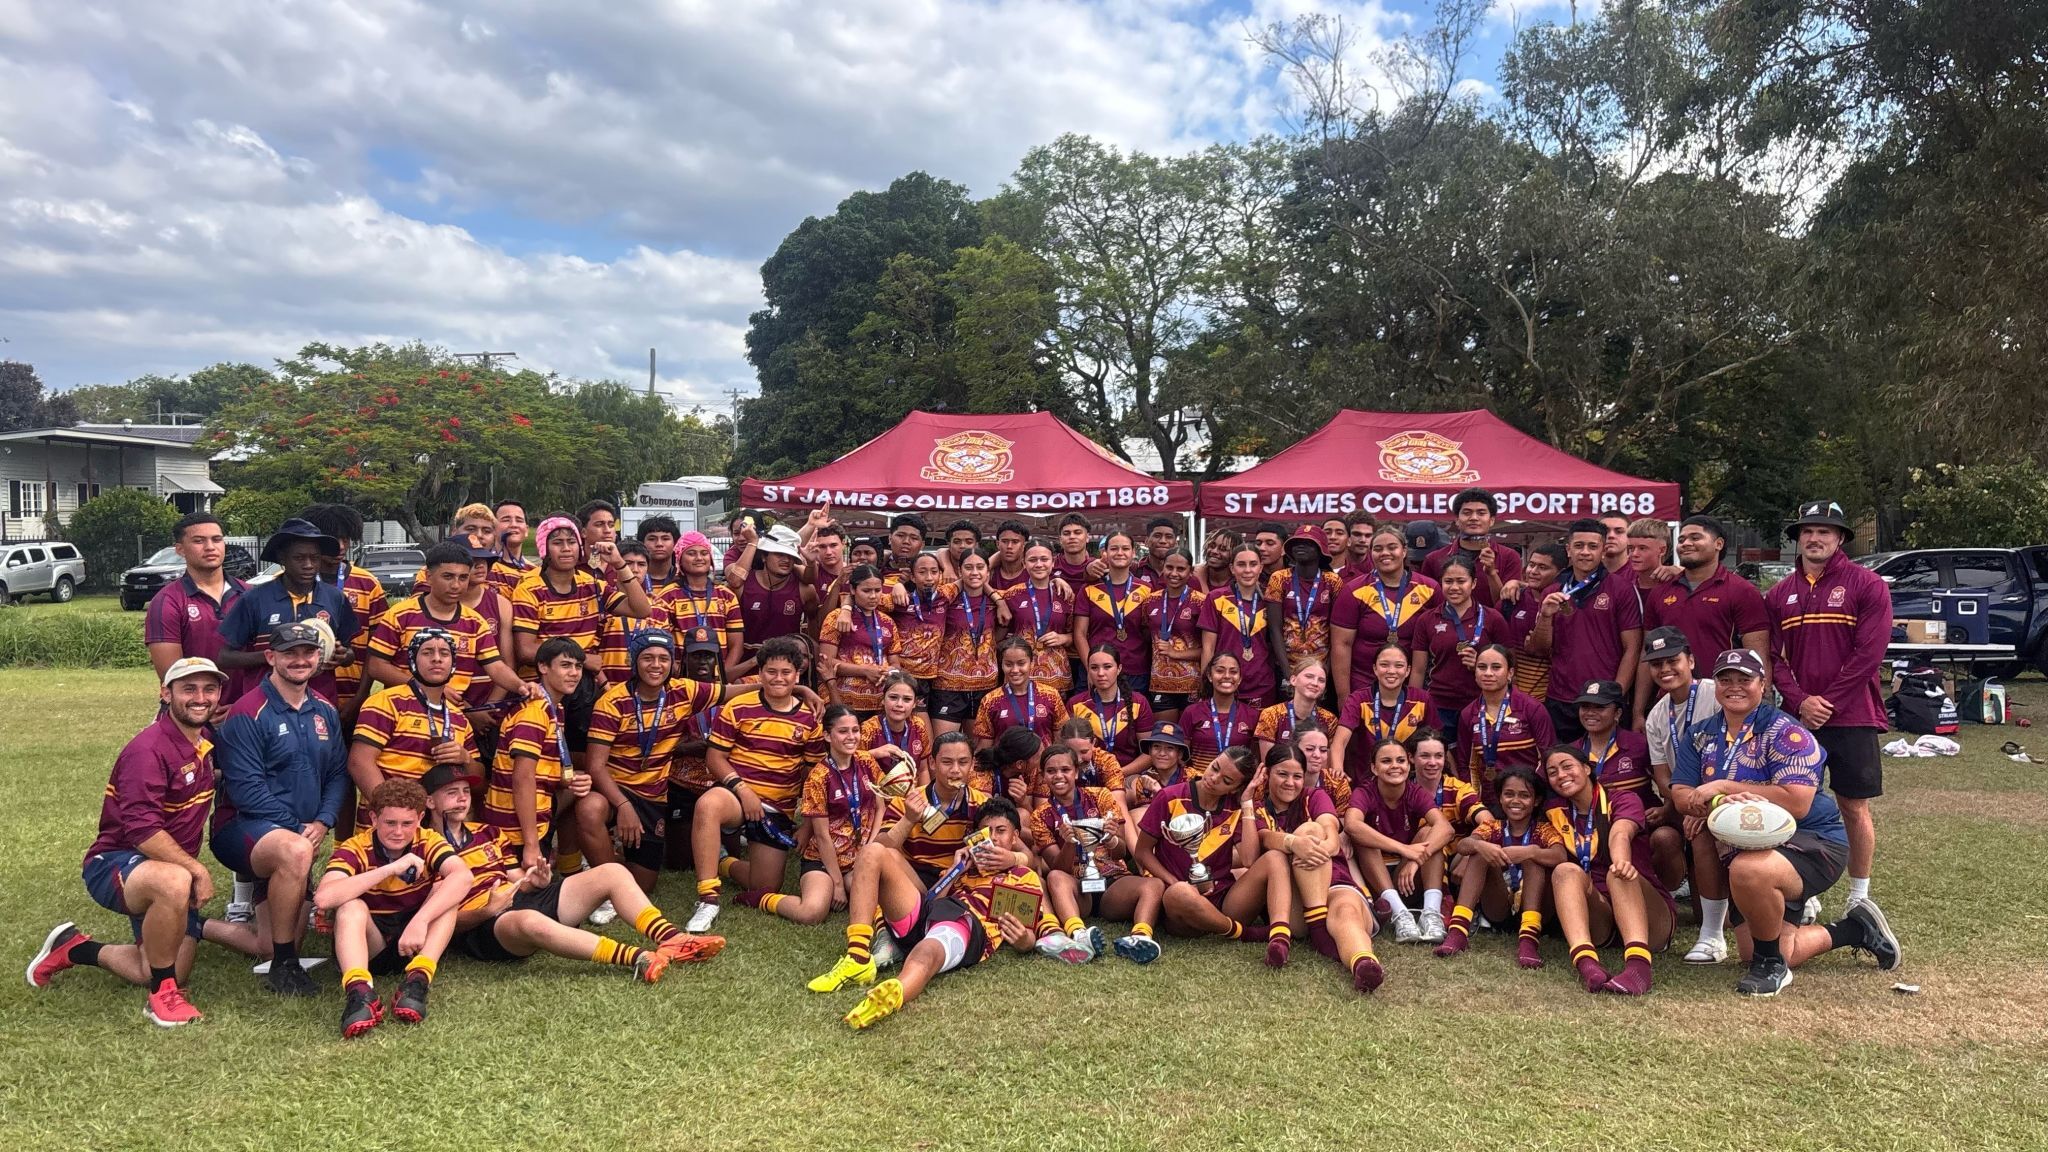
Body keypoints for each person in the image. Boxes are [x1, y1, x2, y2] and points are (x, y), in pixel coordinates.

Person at [28, 658, 261, 1025]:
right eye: (189, 689)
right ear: (165, 694)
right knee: (175, 881)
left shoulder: (204, 744)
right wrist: (197, 869)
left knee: (152, 967)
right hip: (115, 863)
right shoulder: (148, 749)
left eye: (209, 689)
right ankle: (163, 998)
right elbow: (141, 831)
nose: (200, 698)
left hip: (161, 871)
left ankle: (74, 948)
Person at [1670, 648, 1900, 996]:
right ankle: (1854, 930)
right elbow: (1682, 795)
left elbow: (1798, 801)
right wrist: (1718, 803)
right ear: (1714, 685)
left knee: (1749, 871)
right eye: (1725, 679)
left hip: (1812, 840)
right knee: (1755, 947)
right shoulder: (1701, 734)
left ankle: (1772, 968)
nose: (1735, 686)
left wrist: (1723, 786)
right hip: (1748, 843)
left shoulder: (1786, 731)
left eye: (1745, 679)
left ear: (1762, 685)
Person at [428, 763, 720, 984]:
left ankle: (671, 939)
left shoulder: (488, 833)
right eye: (451, 793)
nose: (462, 799)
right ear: (429, 802)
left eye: (465, 792)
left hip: (515, 902)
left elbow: (514, 878)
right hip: (485, 927)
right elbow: (432, 920)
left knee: (611, 872)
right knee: (529, 920)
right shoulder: (423, 847)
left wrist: (533, 883)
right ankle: (636, 958)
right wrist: (485, 911)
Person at [1763, 500, 1892, 918]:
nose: (1814, 538)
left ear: (1839, 539)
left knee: (1853, 805)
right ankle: (1807, 885)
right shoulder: (1781, 593)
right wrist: (1801, 702)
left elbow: (1868, 654)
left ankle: (1859, 894)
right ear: (1798, 540)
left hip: (1852, 716)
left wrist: (1827, 702)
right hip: (1799, 718)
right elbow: (1773, 658)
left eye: (1824, 531)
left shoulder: (1867, 584)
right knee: (1797, 802)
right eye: (1807, 532)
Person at [211, 622, 347, 995]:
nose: (300, 660)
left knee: (269, 942)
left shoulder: (324, 710)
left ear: (318, 657)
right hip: (240, 828)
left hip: (299, 832)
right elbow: (246, 790)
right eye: (290, 653)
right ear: (271, 657)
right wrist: (299, 828)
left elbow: (337, 773)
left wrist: (324, 820)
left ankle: (194, 925)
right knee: (296, 851)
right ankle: (285, 967)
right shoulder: (247, 711)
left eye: (307, 652)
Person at [837, 798, 1056, 1029]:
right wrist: (956, 869)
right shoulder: (964, 866)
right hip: (932, 913)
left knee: (928, 949)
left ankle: (895, 991)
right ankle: (857, 956)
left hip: (967, 923)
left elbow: (1028, 936)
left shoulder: (1023, 875)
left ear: (1014, 837)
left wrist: (1023, 940)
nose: (992, 837)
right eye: (986, 831)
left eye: (1001, 831)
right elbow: (933, 900)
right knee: (874, 852)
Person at [807, 732, 995, 992]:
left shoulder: (983, 804)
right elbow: (879, 851)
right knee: (875, 851)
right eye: (947, 762)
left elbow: (1019, 852)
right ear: (931, 763)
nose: (955, 770)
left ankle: (890, 938)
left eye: (963, 762)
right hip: (914, 890)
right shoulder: (909, 799)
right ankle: (857, 957)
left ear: (972, 765)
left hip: (958, 897)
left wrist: (1011, 855)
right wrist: (909, 819)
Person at [687, 635, 825, 932]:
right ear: (760, 673)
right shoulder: (739, 706)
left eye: (786, 672)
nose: (778, 678)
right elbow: (714, 758)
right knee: (708, 804)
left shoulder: (809, 719)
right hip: (738, 796)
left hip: (777, 808)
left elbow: (814, 778)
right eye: (771, 672)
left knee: (765, 886)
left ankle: (723, 862)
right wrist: (743, 789)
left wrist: (807, 825)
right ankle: (708, 899)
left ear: (797, 675)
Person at [315, 778, 471, 1036]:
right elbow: (324, 898)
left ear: (420, 818)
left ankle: (417, 981)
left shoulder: (428, 840)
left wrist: (421, 921)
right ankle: (360, 993)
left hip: (413, 940)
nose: (398, 831)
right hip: (370, 945)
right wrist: (390, 869)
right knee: (350, 906)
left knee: (447, 892)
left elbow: (463, 877)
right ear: (374, 819)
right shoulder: (355, 847)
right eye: (390, 823)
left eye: (407, 823)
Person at [577, 628, 726, 895]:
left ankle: (610, 868)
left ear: (673, 663)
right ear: (634, 661)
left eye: (663, 658)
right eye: (647, 658)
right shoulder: (612, 702)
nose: (656, 665)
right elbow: (595, 766)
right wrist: (623, 805)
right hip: (616, 790)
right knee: (589, 808)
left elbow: (731, 691)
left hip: (652, 797)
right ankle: (605, 885)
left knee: (643, 885)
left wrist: (798, 689)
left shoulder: (684, 691)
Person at [1133, 745, 1295, 966]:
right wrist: (1171, 881)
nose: (1214, 778)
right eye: (1215, 767)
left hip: (1224, 899)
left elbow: (1248, 860)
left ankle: (1279, 937)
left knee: (1275, 857)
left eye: (1227, 781)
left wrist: (1246, 803)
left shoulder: (1236, 807)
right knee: (1180, 892)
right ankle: (1241, 933)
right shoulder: (1170, 797)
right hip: (1183, 907)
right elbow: (1142, 852)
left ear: (1235, 788)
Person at [1541, 743, 1673, 995]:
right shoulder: (1553, 811)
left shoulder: (1622, 797)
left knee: (1618, 872)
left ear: (1586, 768)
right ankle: (1587, 964)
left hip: (1646, 914)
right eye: (1552, 772)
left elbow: (1621, 832)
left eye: (1567, 766)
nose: (1561, 775)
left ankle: (1638, 968)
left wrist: (1621, 860)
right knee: (1564, 871)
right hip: (1600, 917)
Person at [1256, 742, 1385, 993]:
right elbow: (1264, 837)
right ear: (1267, 772)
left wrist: (1315, 850)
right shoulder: (1258, 806)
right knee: (1306, 832)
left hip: (1335, 882)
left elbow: (1332, 835)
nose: (1289, 782)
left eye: (1297, 776)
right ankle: (1318, 929)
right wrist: (1294, 843)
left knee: (1346, 910)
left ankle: (1364, 964)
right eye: (1282, 774)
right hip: (1294, 902)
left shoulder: (1314, 796)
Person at [365, 541, 532, 732]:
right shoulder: (401, 615)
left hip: (453, 719)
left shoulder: (475, 622)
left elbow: (496, 667)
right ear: (428, 576)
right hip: (403, 715)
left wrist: (521, 686)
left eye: (463, 578)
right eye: (448, 576)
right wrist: (426, 688)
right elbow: (376, 666)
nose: (456, 585)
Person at [1640, 626, 1732, 963]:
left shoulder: (1716, 692)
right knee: (1667, 836)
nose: (1665, 670)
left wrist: (1704, 804)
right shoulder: (1656, 715)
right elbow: (1663, 776)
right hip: (1687, 803)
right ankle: (1679, 901)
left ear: (1691, 660)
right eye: (1656, 664)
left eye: (1673, 661)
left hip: (1727, 798)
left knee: (1735, 918)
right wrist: (1682, 804)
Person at [1030, 744, 1164, 963]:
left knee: (1154, 884)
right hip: (1077, 889)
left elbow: (1121, 851)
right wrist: (1069, 842)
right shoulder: (1040, 816)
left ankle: (1139, 938)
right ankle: (1079, 936)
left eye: (1065, 769)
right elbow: (1058, 868)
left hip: (1112, 882)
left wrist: (1110, 838)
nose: (1058, 776)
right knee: (1054, 877)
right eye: (1051, 771)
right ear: (1043, 776)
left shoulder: (1100, 796)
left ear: (1076, 771)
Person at [1635, 514, 1771, 722]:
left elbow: (1758, 656)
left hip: (1725, 703)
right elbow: (1648, 656)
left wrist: (1762, 705)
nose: (1686, 543)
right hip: (1672, 704)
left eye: (1695, 538)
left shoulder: (1741, 591)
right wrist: (1638, 711)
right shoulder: (1660, 593)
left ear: (1718, 544)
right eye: (1681, 540)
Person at [756, 706, 883, 925]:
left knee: (879, 901)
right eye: (843, 731)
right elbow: (822, 836)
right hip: (823, 860)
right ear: (827, 735)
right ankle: (763, 899)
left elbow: (880, 807)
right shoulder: (818, 777)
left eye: (855, 730)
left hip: (859, 858)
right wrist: (836, 885)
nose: (851, 737)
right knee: (812, 913)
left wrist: (869, 848)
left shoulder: (866, 761)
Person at [215, 517, 358, 707]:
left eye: (314, 558)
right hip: (265, 706)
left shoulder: (335, 598)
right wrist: (276, 655)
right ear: (282, 558)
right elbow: (224, 657)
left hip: (319, 705)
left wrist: (342, 655)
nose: (308, 564)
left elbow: (349, 654)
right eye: (299, 558)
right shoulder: (254, 599)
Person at [347, 628, 481, 830]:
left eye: (444, 653)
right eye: (427, 652)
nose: (436, 659)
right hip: (387, 829)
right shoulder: (386, 702)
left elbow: (479, 780)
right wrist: (395, 815)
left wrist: (465, 758)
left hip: (434, 834)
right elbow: (359, 762)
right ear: (412, 661)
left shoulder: (459, 718)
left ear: (453, 664)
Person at [1524, 519, 1643, 743]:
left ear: (1602, 549)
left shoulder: (1622, 589)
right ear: (1568, 549)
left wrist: (1615, 695)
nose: (1585, 552)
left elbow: (1633, 648)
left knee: (1606, 768)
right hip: (1561, 698)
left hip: (1604, 699)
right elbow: (1540, 649)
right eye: (1579, 546)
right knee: (1562, 766)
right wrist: (1546, 617)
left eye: (1592, 546)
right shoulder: (1553, 591)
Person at [1437, 764, 1564, 965]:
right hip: (1499, 907)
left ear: (1537, 800)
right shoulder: (1493, 826)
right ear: (1499, 798)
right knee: (1480, 852)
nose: (1516, 801)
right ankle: (1458, 931)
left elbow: (1560, 856)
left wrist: (1529, 851)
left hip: (1538, 911)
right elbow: (1463, 846)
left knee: (1534, 858)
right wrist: (1481, 846)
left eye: (1524, 795)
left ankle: (1529, 941)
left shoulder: (1543, 829)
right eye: (1509, 794)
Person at [482, 636, 589, 875]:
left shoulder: (554, 707)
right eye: (565, 665)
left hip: (535, 812)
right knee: (530, 901)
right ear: (543, 667)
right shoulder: (534, 713)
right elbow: (522, 779)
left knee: (578, 783)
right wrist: (531, 846)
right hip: (513, 828)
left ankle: (568, 864)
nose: (574, 673)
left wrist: (567, 779)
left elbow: (540, 770)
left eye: (578, 666)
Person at [1572, 678, 1683, 891]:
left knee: (1666, 838)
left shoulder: (1639, 745)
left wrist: (1666, 809)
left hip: (1642, 827)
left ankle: (1666, 894)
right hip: (1590, 830)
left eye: (1600, 707)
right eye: (1585, 706)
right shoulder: (1571, 753)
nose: (1590, 713)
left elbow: (1668, 781)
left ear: (1618, 713)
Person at [1342, 735, 1450, 943]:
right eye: (1386, 761)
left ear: (1409, 764)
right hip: (1375, 880)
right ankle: (1399, 914)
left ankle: (1430, 914)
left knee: (1431, 833)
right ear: (1374, 768)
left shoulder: (1415, 791)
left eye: (1400, 761)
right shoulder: (1364, 791)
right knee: (1364, 835)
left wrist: (1415, 859)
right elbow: (1352, 824)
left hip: (1406, 878)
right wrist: (1404, 849)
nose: (1395, 766)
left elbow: (1445, 828)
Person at [299, 503, 388, 726]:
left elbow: (377, 649)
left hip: (353, 699)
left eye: (346, 539)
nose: (340, 546)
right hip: (301, 697)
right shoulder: (289, 581)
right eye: (333, 539)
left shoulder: (368, 583)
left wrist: (359, 698)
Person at [1331, 524, 1439, 700]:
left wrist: (1416, 696)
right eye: (1378, 549)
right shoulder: (1354, 590)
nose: (1385, 553)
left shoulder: (1430, 589)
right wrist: (1344, 697)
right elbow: (1341, 645)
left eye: (1392, 547)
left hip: (1414, 685)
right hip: (1364, 685)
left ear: (1404, 551)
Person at [1413, 554, 1510, 742]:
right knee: (1442, 759)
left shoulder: (1493, 618)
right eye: (1448, 581)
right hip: (1439, 704)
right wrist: (1415, 704)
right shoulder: (1427, 619)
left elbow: (1509, 664)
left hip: (1482, 701)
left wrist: (1481, 664)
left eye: (1461, 581)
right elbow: (1418, 669)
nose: (1454, 587)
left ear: (1473, 583)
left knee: (1478, 758)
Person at [144, 512, 246, 686]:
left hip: (249, 709)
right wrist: (206, 707)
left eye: (217, 539)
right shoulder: (167, 601)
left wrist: (246, 706)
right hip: (197, 707)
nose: (210, 547)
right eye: (199, 541)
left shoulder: (250, 594)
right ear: (180, 549)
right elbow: (171, 677)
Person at [1456, 644, 1556, 802]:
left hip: (1528, 799)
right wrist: (1475, 805)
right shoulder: (1468, 714)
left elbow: (1549, 757)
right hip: (1489, 802)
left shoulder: (1531, 708)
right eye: (1482, 667)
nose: (1488, 673)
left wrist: (1533, 795)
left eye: (1496, 667)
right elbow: (1466, 766)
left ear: (1510, 673)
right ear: (1475, 673)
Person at [1198, 545, 1288, 708]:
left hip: (1262, 684)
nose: (1247, 570)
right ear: (1232, 568)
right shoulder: (1216, 598)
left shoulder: (1271, 599)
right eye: (1241, 564)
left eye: (1253, 564)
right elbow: (1208, 647)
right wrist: (1206, 683)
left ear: (1260, 567)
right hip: (1225, 682)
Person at [1332, 643, 1430, 786]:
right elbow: (1339, 743)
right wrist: (1337, 772)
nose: (1391, 671)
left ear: (1408, 670)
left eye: (1399, 666)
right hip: (1367, 785)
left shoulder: (1422, 699)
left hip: (1409, 784)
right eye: (1384, 665)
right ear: (1375, 669)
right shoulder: (1358, 699)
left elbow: (1435, 743)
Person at [930, 552, 1004, 735]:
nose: (974, 573)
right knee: (945, 746)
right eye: (968, 567)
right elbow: (930, 595)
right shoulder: (947, 598)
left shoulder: (999, 599)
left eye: (980, 567)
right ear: (959, 570)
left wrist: (1057, 581)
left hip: (985, 686)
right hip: (948, 686)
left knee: (977, 752)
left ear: (988, 572)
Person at [1072, 531, 1154, 696]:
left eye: (1125, 548)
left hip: (1135, 670)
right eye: (1114, 548)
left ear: (1133, 553)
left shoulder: (1147, 591)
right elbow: (1079, 634)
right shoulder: (1088, 590)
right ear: (1105, 553)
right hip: (1098, 670)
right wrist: (1091, 668)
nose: (1120, 553)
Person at [725, 521, 811, 671]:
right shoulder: (742, 587)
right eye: (779, 554)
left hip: (785, 671)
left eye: (790, 556)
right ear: (764, 557)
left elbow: (815, 622)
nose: (786, 560)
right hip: (744, 670)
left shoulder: (804, 589)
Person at [818, 564, 900, 715]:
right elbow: (826, 662)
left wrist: (890, 670)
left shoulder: (887, 621)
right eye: (866, 591)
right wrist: (865, 670)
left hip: (880, 704)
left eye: (877, 590)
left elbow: (895, 662)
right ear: (853, 590)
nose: (873, 596)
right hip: (844, 701)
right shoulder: (836, 618)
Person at [1423, 489, 1521, 608]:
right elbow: (1428, 604)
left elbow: (1506, 606)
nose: (1474, 518)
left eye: (1481, 513)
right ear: (1457, 520)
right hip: (1445, 625)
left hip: (1491, 625)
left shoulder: (1509, 557)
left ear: (1492, 520)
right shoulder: (1434, 559)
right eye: (1467, 512)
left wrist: (1492, 574)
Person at [594, 540, 672, 687]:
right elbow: (591, 650)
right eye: (628, 563)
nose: (635, 570)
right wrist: (603, 684)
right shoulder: (603, 603)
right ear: (615, 564)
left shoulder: (659, 609)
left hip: (645, 690)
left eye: (641, 564)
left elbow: (664, 652)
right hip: (606, 687)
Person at [1139, 548, 1205, 723]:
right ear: (1163, 568)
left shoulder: (1201, 602)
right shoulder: (1150, 601)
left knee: (1186, 739)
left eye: (1181, 569)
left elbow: (1210, 648)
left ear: (1191, 572)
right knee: (1164, 736)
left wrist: (1176, 653)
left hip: (1192, 683)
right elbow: (1146, 635)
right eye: (1169, 567)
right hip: (1159, 682)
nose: (1174, 573)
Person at [667, 531, 745, 678]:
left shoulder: (726, 596)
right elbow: (663, 644)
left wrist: (722, 676)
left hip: (719, 681)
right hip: (682, 680)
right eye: (691, 553)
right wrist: (680, 675)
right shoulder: (667, 597)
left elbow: (737, 646)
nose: (699, 558)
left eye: (704, 553)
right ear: (679, 559)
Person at [1267, 527, 1340, 675]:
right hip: (1285, 665)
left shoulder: (1333, 581)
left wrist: (1326, 670)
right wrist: (1287, 672)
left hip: (1321, 667)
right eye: (1297, 543)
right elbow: (1274, 628)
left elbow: (1338, 631)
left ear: (1320, 550)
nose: (1300, 546)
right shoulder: (1279, 578)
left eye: (1308, 543)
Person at [972, 637, 1068, 749]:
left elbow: (1061, 741)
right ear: (1001, 665)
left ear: (1032, 663)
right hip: (1006, 765)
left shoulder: (1051, 696)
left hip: (1043, 764)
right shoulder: (990, 700)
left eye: (1021, 664)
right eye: (1008, 664)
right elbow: (984, 748)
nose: (1015, 670)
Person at [1004, 544, 1074, 695]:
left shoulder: (1065, 594)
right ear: (1024, 563)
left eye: (1044, 559)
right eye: (1032, 560)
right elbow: (978, 584)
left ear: (1053, 562)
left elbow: (1078, 634)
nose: (1039, 564)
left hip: (1057, 675)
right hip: (1020, 676)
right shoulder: (1011, 594)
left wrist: (1063, 637)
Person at [1067, 645, 1153, 769]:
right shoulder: (1075, 704)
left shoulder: (1139, 702)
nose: (1101, 673)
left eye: (1107, 667)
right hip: (1086, 774)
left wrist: (1118, 774)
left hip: (1128, 774)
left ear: (1119, 669)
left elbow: (1148, 753)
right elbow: (1067, 750)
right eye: (1094, 668)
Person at [1504, 542, 1567, 704]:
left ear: (1560, 573)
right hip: (1513, 696)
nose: (1533, 571)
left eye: (1543, 567)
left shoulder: (1567, 606)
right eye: (1531, 565)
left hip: (1552, 697)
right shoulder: (1512, 599)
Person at [1180, 652, 1258, 773]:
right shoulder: (1192, 712)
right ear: (1210, 676)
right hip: (1200, 784)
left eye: (1233, 672)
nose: (1227, 676)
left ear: (1240, 679)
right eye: (1220, 671)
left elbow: (1254, 760)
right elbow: (1181, 757)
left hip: (1236, 787)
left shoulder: (1252, 715)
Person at [890, 553, 947, 699]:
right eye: (922, 572)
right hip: (906, 677)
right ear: (913, 577)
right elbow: (858, 597)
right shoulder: (901, 599)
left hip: (936, 679)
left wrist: (999, 601)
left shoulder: (946, 595)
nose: (929, 577)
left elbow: (974, 576)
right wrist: (898, 585)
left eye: (934, 572)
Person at [1255, 658, 1335, 757]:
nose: (1315, 683)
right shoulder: (1271, 714)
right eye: (1309, 676)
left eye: (1321, 680)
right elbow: (1268, 763)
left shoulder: (1329, 719)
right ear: (1293, 680)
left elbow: (1326, 763)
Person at [860, 671, 932, 780]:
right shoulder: (868, 729)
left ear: (914, 704)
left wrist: (922, 796)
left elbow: (923, 770)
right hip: (878, 794)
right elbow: (853, 764)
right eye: (893, 697)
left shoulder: (918, 726)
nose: (899, 704)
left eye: (907, 699)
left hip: (912, 794)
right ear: (883, 700)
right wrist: (874, 754)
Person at [1126, 722, 1192, 808]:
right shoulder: (1144, 781)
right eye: (1156, 746)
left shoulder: (1192, 779)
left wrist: (1159, 793)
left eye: (1170, 748)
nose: (1162, 753)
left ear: (1179, 754)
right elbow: (1148, 816)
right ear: (1149, 751)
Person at [490, 500, 532, 593]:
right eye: (506, 520)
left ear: (526, 530)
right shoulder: (483, 568)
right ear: (492, 528)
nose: (513, 525)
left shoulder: (534, 572)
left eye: (519, 520)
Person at [1136, 515, 1181, 588]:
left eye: (1169, 537)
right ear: (1146, 541)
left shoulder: (1186, 575)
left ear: (1176, 544)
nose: (1163, 541)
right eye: (1157, 536)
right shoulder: (1134, 571)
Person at [1335, 511, 1378, 585]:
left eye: (1368, 535)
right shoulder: (1331, 563)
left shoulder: (1378, 563)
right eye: (1357, 534)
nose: (1363, 540)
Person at [988, 520, 1032, 594]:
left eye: (1015, 542)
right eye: (1004, 541)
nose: (1009, 546)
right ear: (997, 544)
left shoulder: (1032, 573)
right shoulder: (990, 574)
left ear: (1024, 545)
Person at [882, 513, 929, 581]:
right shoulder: (876, 566)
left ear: (922, 545)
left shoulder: (931, 570)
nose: (906, 541)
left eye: (914, 538)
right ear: (890, 538)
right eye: (900, 536)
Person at [1053, 513, 1095, 585]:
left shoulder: (1095, 567)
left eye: (1077, 533)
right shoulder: (1050, 565)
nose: (1072, 537)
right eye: (1066, 533)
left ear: (1087, 537)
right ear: (1060, 539)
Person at [1194, 527, 1238, 593]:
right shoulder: (1193, 577)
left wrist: (1202, 582)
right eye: (1212, 546)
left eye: (1223, 549)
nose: (1214, 551)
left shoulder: (1239, 583)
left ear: (1235, 555)